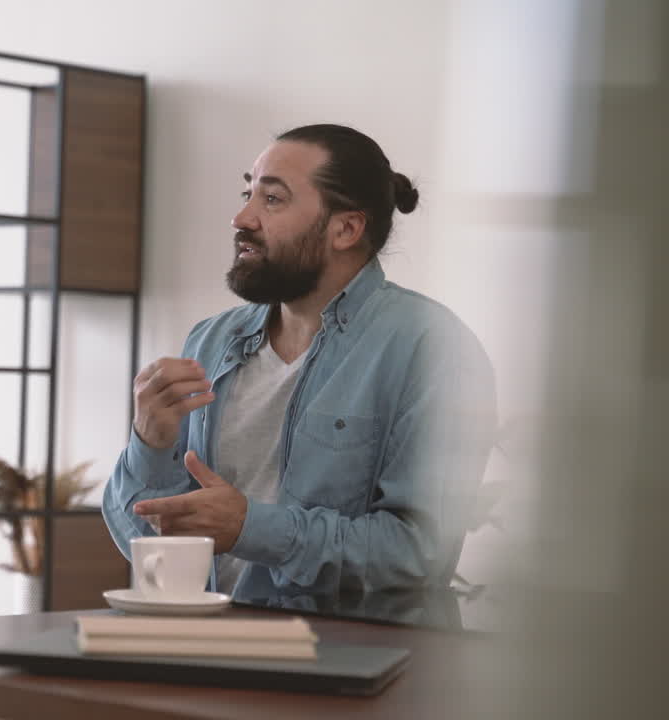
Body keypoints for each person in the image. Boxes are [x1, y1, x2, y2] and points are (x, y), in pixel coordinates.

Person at [103, 124, 497, 596]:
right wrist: (149, 444)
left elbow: (419, 555)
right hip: (212, 649)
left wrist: (253, 527)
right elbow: (153, 550)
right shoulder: (209, 341)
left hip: (346, 664)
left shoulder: (433, 348)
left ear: (347, 228)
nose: (241, 217)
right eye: (248, 192)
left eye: (272, 199)